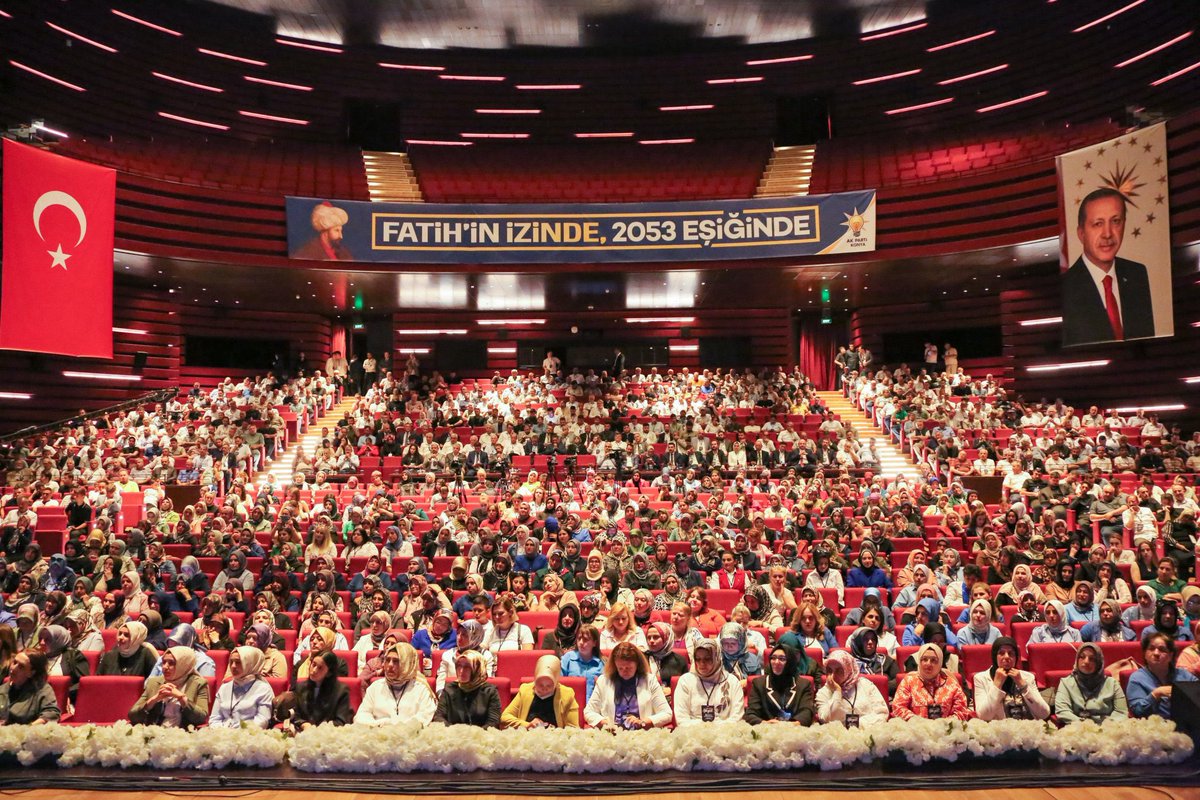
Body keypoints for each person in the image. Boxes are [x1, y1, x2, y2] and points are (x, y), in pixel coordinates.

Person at [1062, 187, 1155, 346]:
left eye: (1116, 221)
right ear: (1081, 233)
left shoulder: (1137, 274)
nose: (1107, 234)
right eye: (1098, 224)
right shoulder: (1065, 287)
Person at [584, 641, 671, 730]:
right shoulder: (603, 680)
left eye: (629, 668)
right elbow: (588, 712)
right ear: (615, 665)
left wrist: (643, 722)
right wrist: (604, 723)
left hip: (642, 735)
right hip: (611, 735)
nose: (624, 671)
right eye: (620, 668)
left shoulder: (650, 680)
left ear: (637, 664)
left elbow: (667, 713)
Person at [356, 642, 438, 726]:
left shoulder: (421, 689)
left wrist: (398, 728)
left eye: (396, 661)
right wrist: (379, 724)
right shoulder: (375, 687)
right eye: (387, 660)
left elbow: (424, 717)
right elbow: (361, 715)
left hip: (412, 736)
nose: (390, 665)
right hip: (378, 734)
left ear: (407, 664)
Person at [129, 646, 210, 727]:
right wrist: (154, 699)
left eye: (171, 663)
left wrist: (181, 698)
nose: (165, 667)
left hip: (182, 735)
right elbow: (132, 716)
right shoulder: (153, 682)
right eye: (164, 662)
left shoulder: (198, 684)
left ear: (183, 664)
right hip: (153, 733)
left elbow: (201, 718)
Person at [972, 636, 1050, 721]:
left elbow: (1044, 713)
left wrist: (1022, 685)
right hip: (998, 730)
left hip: (1027, 728)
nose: (1006, 657)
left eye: (1011, 653)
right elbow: (984, 716)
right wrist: (997, 685)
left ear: (1016, 657)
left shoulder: (1027, 677)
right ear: (994, 656)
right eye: (1001, 653)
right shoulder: (981, 678)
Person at [1126, 632, 1199, 720]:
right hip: (1154, 729)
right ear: (1145, 654)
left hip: (1186, 725)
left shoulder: (1184, 675)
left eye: (1162, 649)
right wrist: (1155, 694)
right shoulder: (1137, 679)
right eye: (1151, 649)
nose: (1156, 653)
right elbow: (1138, 712)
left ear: (1170, 655)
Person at [891, 643, 971, 721]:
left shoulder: (951, 684)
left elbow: (962, 711)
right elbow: (898, 707)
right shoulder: (908, 681)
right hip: (915, 730)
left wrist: (944, 724)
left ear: (940, 663)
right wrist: (919, 723)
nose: (928, 664)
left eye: (933, 660)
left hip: (945, 730)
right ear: (919, 661)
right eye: (924, 659)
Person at [673, 639, 745, 725]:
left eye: (707, 659)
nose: (702, 664)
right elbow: (681, 719)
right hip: (692, 734)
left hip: (725, 734)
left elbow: (737, 717)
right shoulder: (686, 681)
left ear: (717, 658)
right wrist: (705, 728)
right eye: (698, 659)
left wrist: (715, 729)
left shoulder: (732, 681)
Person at [1054, 642, 1129, 724]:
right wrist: (1087, 726)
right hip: (1077, 730)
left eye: (1092, 659)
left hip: (1108, 730)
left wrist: (1105, 726)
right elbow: (1063, 712)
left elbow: (1121, 713)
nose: (1086, 661)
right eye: (1082, 657)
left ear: (1099, 663)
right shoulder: (1066, 683)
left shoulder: (1112, 684)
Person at [502, 654, 580, 729]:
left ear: (556, 681)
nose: (544, 688)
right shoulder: (525, 690)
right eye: (540, 684)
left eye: (549, 685)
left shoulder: (567, 695)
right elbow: (505, 718)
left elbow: (573, 729)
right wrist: (527, 725)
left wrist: (555, 732)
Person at [745, 644, 817, 725]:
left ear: (790, 662)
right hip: (766, 731)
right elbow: (751, 714)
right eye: (773, 658)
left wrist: (792, 725)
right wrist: (765, 723)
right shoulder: (759, 683)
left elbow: (807, 712)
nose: (776, 662)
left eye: (782, 659)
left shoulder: (803, 684)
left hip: (795, 731)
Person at [815, 649, 889, 727]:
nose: (832, 676)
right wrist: (837, 692)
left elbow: (882, 713)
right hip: (838, 736)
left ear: (848, 670)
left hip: (868, 732)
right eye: (829, 671)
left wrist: (857, 724)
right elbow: (827, 720)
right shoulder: (823, 692)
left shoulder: (865, 684)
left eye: (839, 671)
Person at [208, 646, 274, 728]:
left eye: (238, 662)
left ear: (250, 664)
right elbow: (214, 719)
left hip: (249, 736)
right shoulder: (224, 688)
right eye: (231, 662)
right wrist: (223, 732)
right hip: (222, 734)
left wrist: (237, 732)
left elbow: (262, 720)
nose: (233, 666)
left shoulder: (263, 689)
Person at [434, 650, 501, 727]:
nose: (461, 671)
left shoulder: (490, 692)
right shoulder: (449, 689)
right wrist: (454, 733)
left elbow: (493, 722)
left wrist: (473, 735)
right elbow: (438, 717)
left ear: (477, 669)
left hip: (482, 736)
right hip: (452, 736)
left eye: (467, 667)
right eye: (459, 666)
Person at [289, 650, 354, 730]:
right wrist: (303, 723)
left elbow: (340, 721)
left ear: (329, 673)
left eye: (320, 668)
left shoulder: (341, 691)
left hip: (329, 736)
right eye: (313, 664)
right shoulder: (301, 686)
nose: (314, 670)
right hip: (303, 733)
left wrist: (316, 728)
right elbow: (296, 714)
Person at [0, 652, 59, 725]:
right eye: (14, 662)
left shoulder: (42, 689)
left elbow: (51, 714)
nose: (13, 668)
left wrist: (28, 729)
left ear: (31, 673)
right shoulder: (3, 688)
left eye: (21, 667)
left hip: (27, 733)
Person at [847, 626, 899, 697]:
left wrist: (878, 687)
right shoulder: (848, 663)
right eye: (865, 639)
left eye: (873, 639)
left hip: (884, 699)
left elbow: (898, 680)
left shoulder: (885, 660)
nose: (870, 642)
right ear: (857, 642)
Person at [560, 624, 604, 700]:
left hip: (593, 706)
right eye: (579, 638)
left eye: (585, 639)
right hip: (570, 703)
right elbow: (560, 684)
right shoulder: (567, 658)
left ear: (595, 643)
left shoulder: (602, 663)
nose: (581, 642)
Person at [643, 622, 688, 694]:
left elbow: (686, 687)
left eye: (656, 637)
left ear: (666, 638)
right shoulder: (641, 658)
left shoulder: (679, 661)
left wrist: (672, 690)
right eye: (649, 637)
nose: (651, 641)